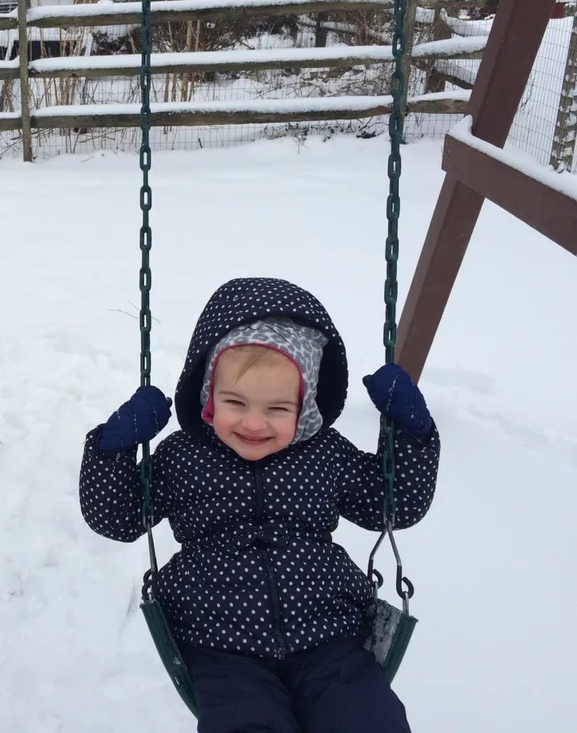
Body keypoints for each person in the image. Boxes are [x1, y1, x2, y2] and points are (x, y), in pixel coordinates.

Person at [80, 277, 439, 733]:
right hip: (218, 641)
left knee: (369, 721)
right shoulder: (183, 455)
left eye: (277, 409)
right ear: (208, 395)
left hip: (329, 633)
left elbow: (390, 506)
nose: (253, 423)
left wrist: (412, 435)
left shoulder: (324, 453)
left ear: (305, 407)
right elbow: (118, 518)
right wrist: (112, 452)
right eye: (235, 402)